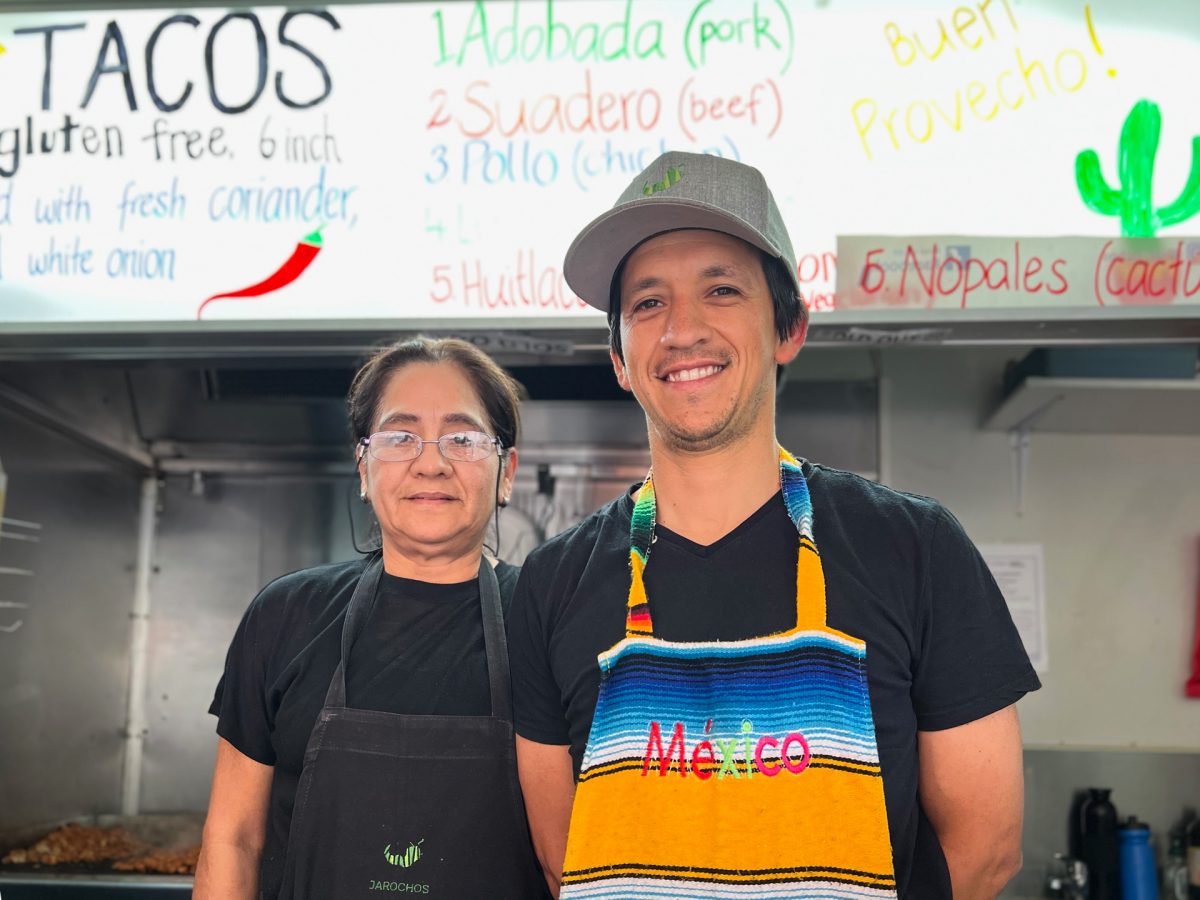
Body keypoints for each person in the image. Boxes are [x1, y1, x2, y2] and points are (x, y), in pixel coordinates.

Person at [507, 152, 1041, 900]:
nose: (682, 329)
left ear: (790, 327)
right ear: (619, 359)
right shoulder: (551, 582)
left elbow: (985, 853)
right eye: (648, 304)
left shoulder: (916, 549)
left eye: (720, 289)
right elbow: (564, 857)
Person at [195, 337, 547, 900]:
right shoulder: (286, 614)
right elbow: (233, 838)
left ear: (506, 472)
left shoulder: (547, 620)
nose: (430, 463)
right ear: (363, 467)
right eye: (399, 437)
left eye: (461, 438)